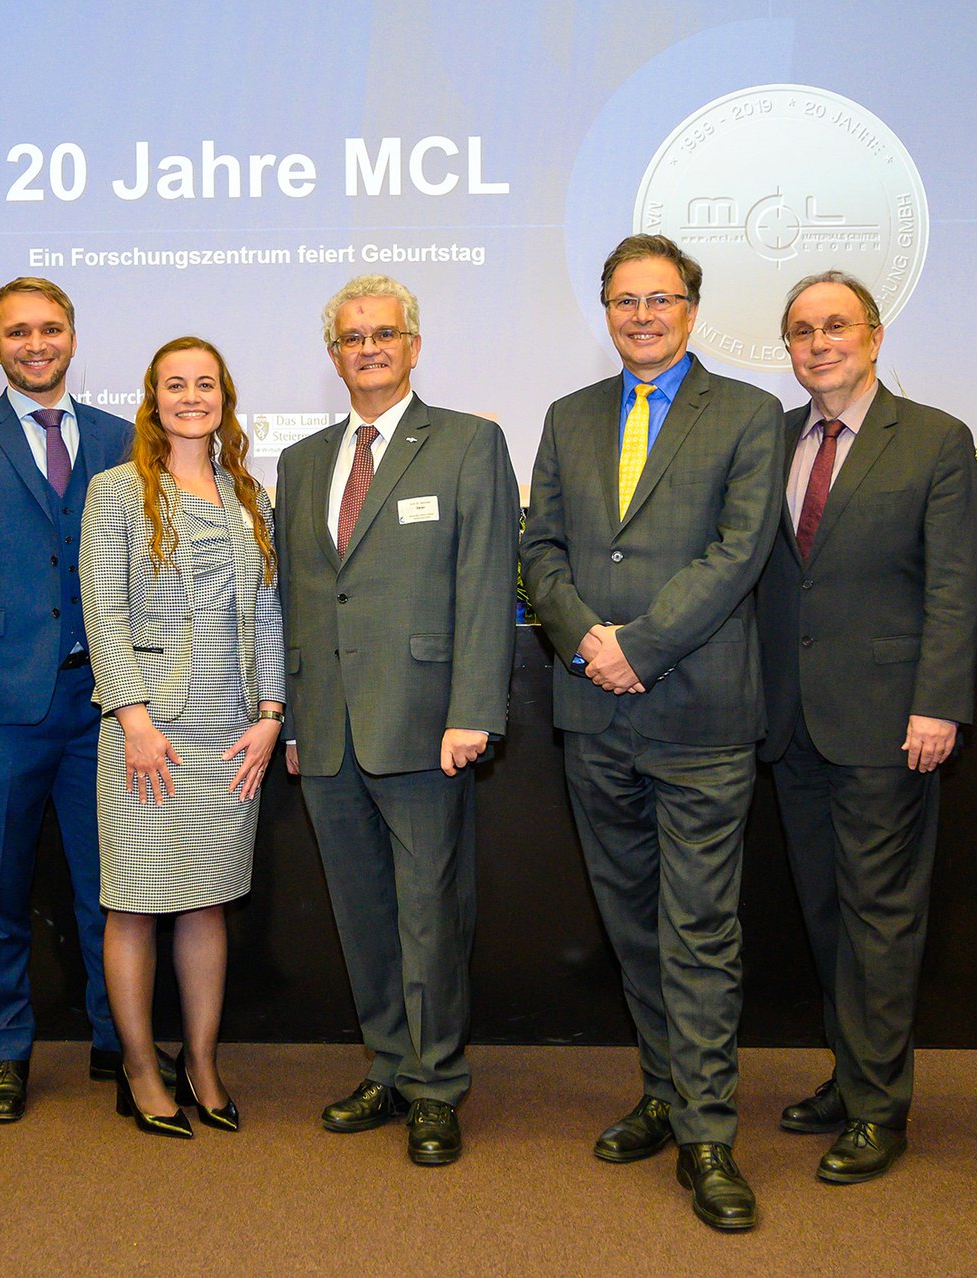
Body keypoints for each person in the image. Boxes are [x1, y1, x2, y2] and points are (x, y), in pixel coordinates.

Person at [520, 234, 783, 1230]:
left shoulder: (749, 415)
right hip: (593, 709)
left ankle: (710, 1134)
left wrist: (644, 645)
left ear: (691, 309)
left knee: (701, 928)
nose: (641, 316)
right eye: (624, 301)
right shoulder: (569, 416)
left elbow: (737, 551)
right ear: (605, 309)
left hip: (699, 711)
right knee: (632, 921)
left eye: (660, 300)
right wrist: (587, 638)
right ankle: (667, 1093)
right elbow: (539, 545)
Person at [274, 274, 518, 1166]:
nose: (368, 348)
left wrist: (474, 712)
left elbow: (487, 583)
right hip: (328, 728)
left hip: (426, 725)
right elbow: (299, 599)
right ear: (333, 355)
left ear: (414, 346)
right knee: (363, 911)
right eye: (351, 337)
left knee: (429, 913)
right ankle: (387, 1061)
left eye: (384, 334)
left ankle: (437, 1085)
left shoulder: (466, 443)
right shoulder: (301, 463)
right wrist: (296, 721)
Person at [756, 271, 977, 1183]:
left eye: (836, 326)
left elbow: (955, 584)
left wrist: (939, 702)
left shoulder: (933, 438)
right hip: (791, 720)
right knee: (823, 912)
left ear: (876, 336)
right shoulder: (771, 439)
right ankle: (851, 1079)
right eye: (803, 330)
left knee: (880, 918)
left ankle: (880, 1109)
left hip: (892, 723)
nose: (820, 343)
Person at [0, 277, 133, 1122]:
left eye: (49, 329)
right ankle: (4, 1048)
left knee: (108, 885)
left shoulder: (123, 439)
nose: (34, 344)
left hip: (104, 705)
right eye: (17, 333)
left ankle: (119, 1038)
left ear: (73, 337)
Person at [79, 336, 285, 1139]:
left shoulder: (250, 496)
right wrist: (133, 720)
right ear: (152, 397)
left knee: (207, 905)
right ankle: (138, 1068)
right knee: (133, 906)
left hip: (231, 736)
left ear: (225, 397)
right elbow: (104, 612)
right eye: (176, 385)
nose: (191, 396)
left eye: (205, 384)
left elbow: (270, 614)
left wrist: (271, 718)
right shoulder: (117, 490)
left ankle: (200, 1060)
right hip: (146, 734)